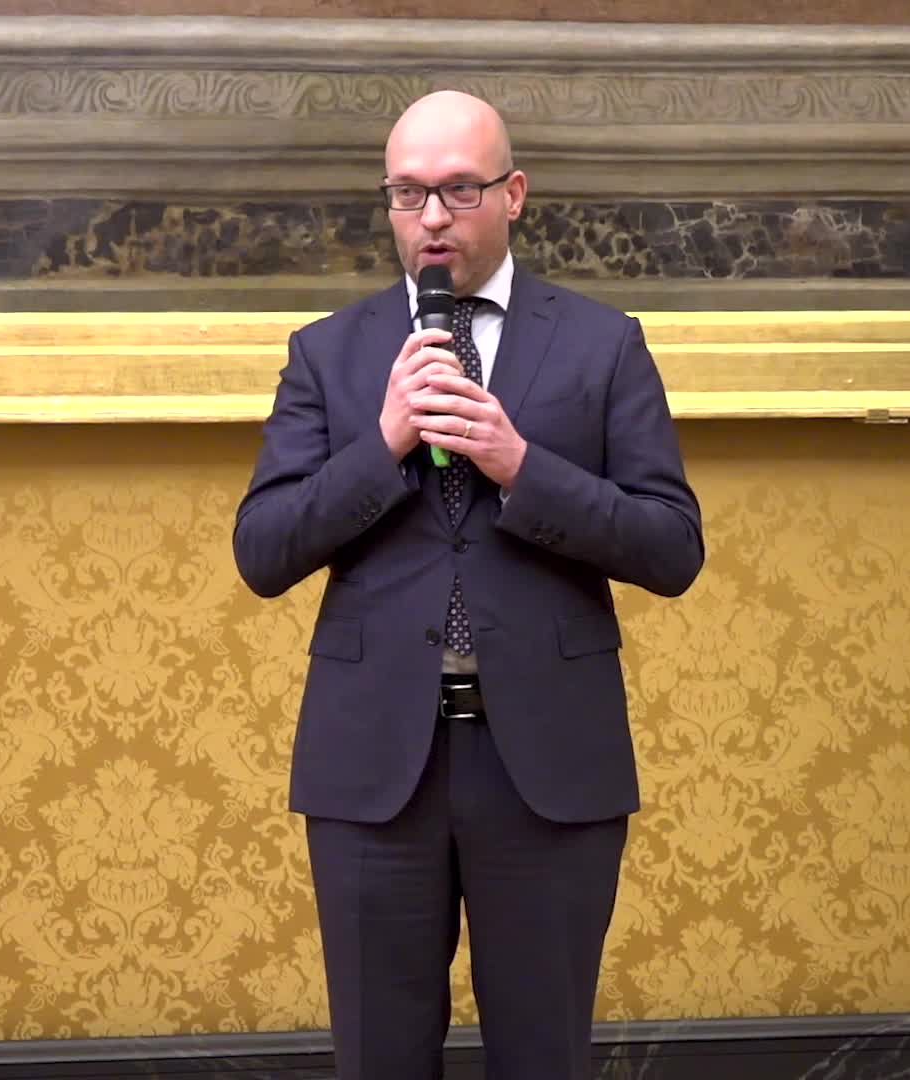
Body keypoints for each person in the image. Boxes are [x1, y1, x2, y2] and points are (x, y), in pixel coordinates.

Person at [231, 89, 703, 1080]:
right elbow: (263, 551)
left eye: (458, 190)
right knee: (380, 1058)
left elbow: (671, 548)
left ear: (514, 193)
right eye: (408, 194)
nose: (432, 219)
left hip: (548, 763)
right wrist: (384, 443)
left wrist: (521, 465)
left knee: (543, 1056)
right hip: (374, 767)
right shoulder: (329, 352)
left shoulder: (603, 344)